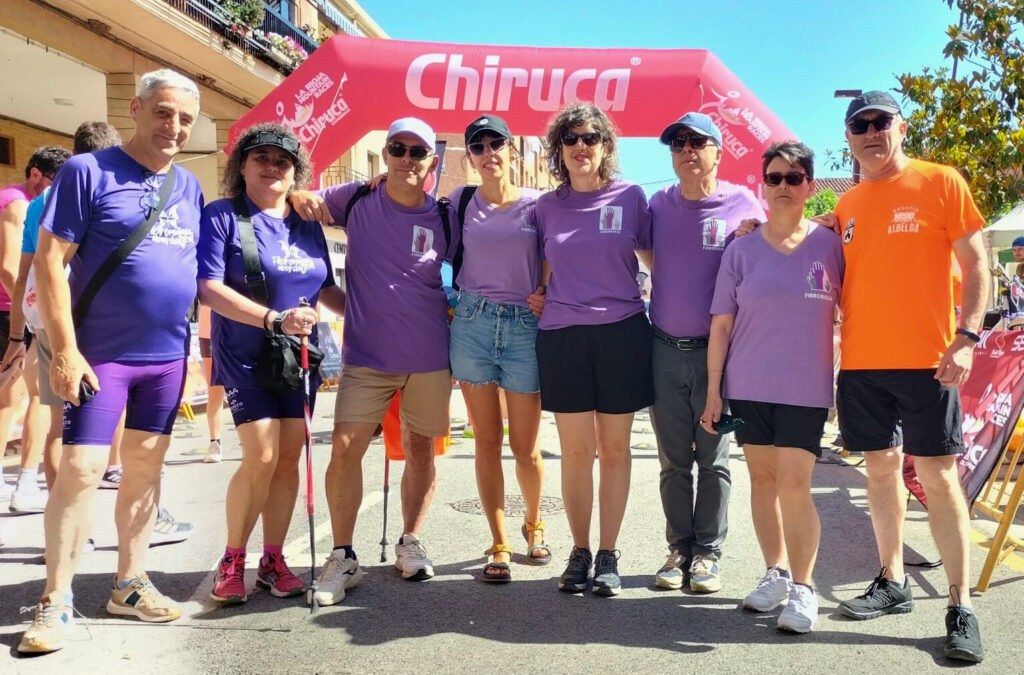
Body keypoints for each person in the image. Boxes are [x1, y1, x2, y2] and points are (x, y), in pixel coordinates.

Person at [18, 69, 205, 655]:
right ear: (136, 109)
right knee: (80, 471)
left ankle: (129, 583)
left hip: (167, 357)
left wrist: (195, 353)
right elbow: (50, 261)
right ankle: (55, 598)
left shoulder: (189, 186)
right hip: (100, 355)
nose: (174, 126)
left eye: (185, 118)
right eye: (164, 112)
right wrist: (65, 349)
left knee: (146, 471)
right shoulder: (88, 171)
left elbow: (190, 274)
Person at [832, 91, 987, 662]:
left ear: (901, 127)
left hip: (929, 361)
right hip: (862, 363)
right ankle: (892, 580)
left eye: (881, 122)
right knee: (880, 472)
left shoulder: (942, 181)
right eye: (860, 125)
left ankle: (960, 605)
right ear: (849, 138)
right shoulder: (846, 203)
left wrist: (967, 337)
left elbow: (977, 264)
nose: (871, 132)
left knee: (939, 478)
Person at [289, 117, 453, 604]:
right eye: (397, 149)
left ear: (431, 162)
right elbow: (300, 200)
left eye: (417, 152)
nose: (407, 159)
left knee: (420, 451)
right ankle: (343, 555)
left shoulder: (446, 217)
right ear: (385, 154)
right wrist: (304, 192)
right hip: (367, 356)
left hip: (429, 356)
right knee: (344, 448)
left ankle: (410, 540)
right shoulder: (357, 198)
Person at [200, 122, 344, 604]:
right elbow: (209, 288)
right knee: (260, 455)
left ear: (295, 172)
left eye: (283, 161)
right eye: (260, 157)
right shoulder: (223, 215)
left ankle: (273, 560)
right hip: (245, 356)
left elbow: (326, 290)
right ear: (241, 166)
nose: (272, 167)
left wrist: (377, 317)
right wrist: (274, 319)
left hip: (298, 360)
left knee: (286, 460)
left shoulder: (307, 223)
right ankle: (233, 558)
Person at [701, 141, 842, 633]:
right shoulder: (740, 249)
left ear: (810, 186)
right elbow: (721, 325)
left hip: (805, 387)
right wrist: (714, 392)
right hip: (747, 384)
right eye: (775, 178)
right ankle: (776, 574)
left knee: (794, 484)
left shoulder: (832, 244)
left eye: (794, 177)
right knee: (762, 482)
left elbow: (855, 311)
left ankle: (804, 589)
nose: (784, 186)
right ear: (763, 186)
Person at [531, 103, 653, 596]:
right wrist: (538, 293)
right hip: (563, 335)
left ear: (606, 146)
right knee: (577, 451)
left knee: (615, 449)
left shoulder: (631, 197)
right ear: (559, 149)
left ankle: (608, 553)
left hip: (622, 332)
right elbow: (541, 268)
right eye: (571, 139)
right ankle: (579, 550)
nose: (581, 147)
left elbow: (659, 261)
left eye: (591, 138)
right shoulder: (545, 206)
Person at [642, 112, 766, 593]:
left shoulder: (743, 203)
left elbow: (774, 245)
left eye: (697, 141)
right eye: (678, 144)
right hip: (663, 351)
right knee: (673, 461)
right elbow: (649, 256)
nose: (687, 150)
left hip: (720, 358)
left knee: (714, 459)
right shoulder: (658, 204)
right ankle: (679, 549)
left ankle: (708, 553)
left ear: (719, 151)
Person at [448, 114, 549, 582]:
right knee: (486, 441)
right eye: (478, 146)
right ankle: (499, 541)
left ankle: (534, 522)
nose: (488, 152)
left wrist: (547, 290)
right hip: (472, 323)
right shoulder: (459, 201)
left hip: (525, 326)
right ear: (470, 155)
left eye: (497, 143)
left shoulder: (539, 204)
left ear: (512, 150)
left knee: (526, 448)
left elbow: (557, 254)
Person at [0, 146, 70, 513]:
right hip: (14, 311)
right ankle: (24, 484)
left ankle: (24, 483)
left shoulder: (25, 201)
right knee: (21, 398)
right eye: (57, 180)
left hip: (20, 312)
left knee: (24, 398)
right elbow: (11, 268)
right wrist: (25, 320)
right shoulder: (17, 202)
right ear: (35, 174)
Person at [197, 304, 226, 463]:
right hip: (208, 330)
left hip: (239, 329)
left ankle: (253, 441)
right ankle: (215, 442)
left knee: (248, 387)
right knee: (215, 389)